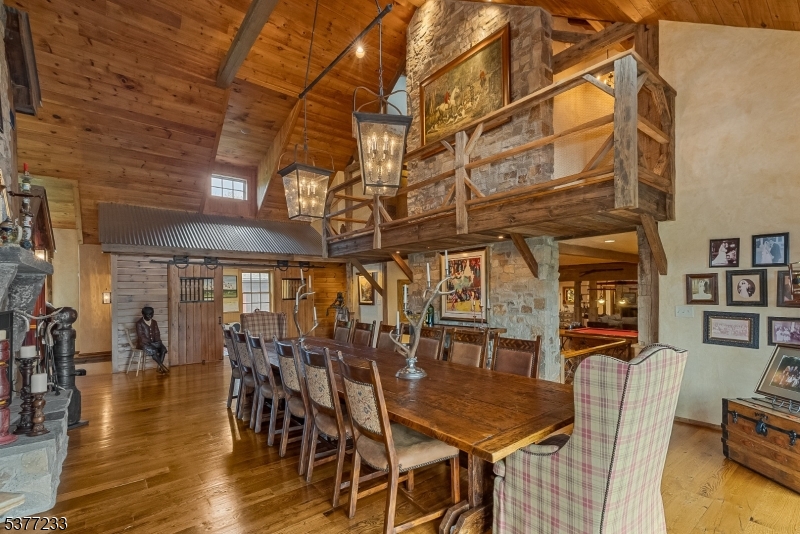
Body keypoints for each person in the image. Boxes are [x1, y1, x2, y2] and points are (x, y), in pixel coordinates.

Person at [136, 306, 169, 374]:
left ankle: (159, 368)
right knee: (153, 351)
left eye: (151, 314)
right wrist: (151, 343)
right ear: (143, 314)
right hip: (143, 344)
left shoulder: (154, 322)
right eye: (148, 314)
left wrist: (158, 341)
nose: (150, 316)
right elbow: (141, 336)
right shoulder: (139, 323)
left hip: (154, 343)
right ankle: (162, 366)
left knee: (163, 349)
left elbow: (157, 333)